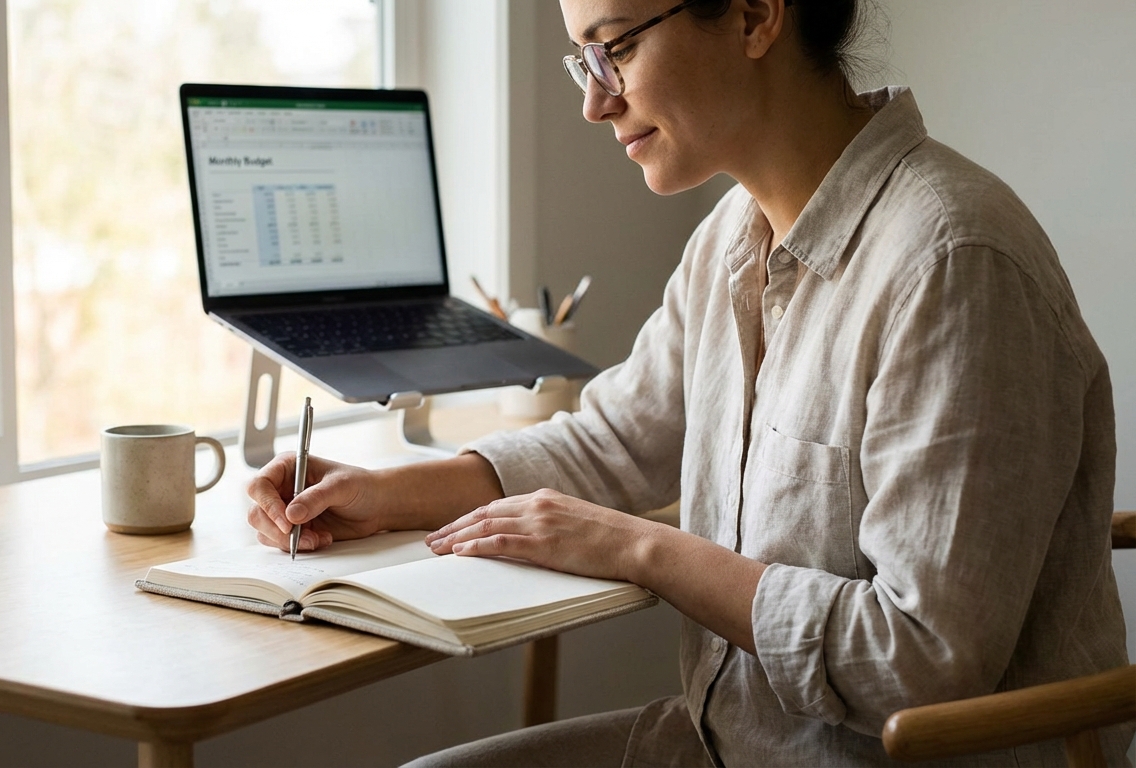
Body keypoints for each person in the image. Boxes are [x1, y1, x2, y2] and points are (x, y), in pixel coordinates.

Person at [247, 0, 1132, 764]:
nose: (595, 102)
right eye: (580, 59)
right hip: (727, 744)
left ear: (754, 15)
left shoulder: (953, 261)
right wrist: (385, 493)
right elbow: (615, 440)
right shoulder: (730, 240)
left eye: (616, 48)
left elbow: (923, 657)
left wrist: (639, 549)